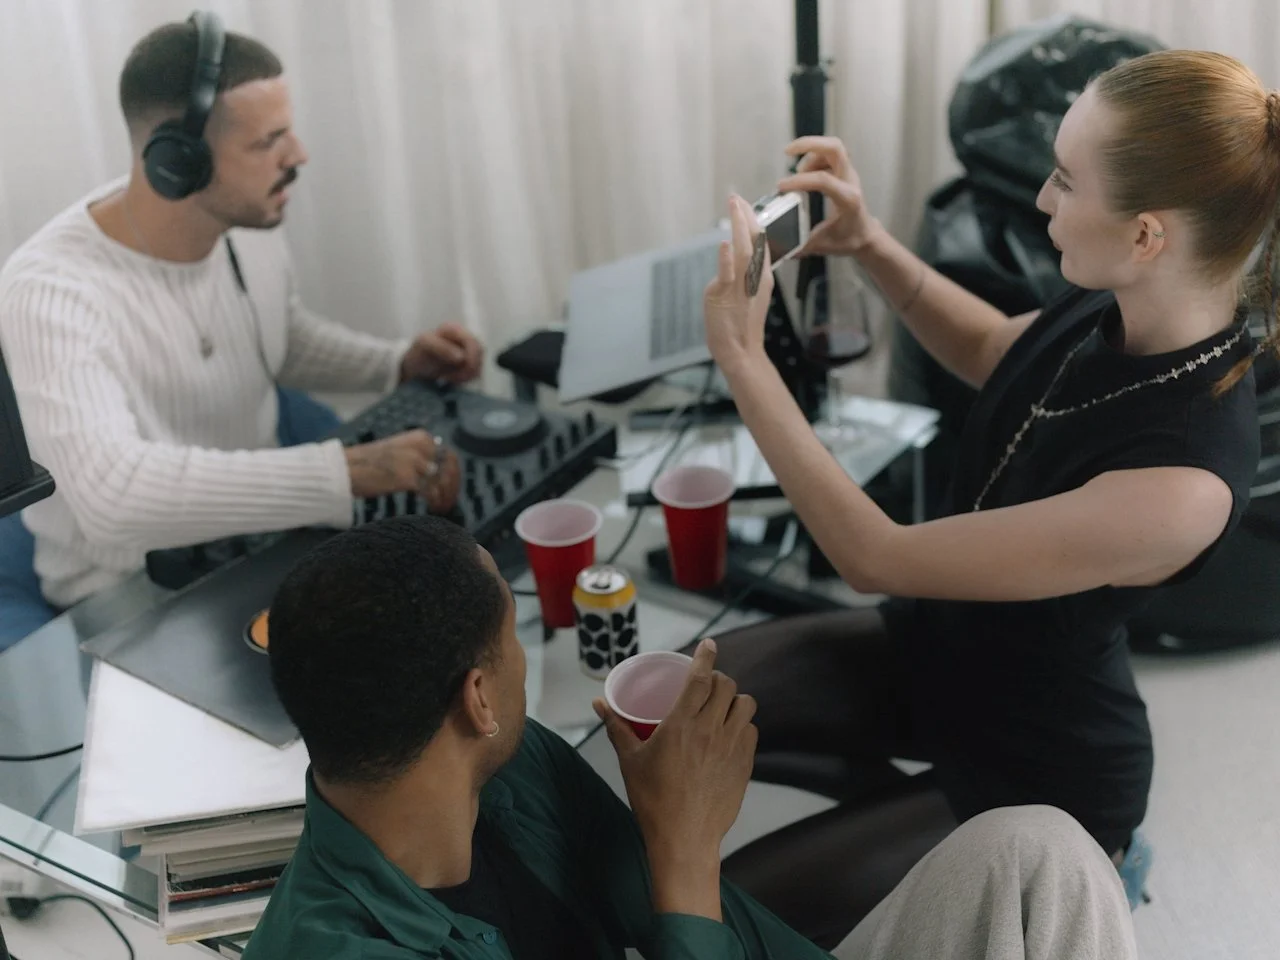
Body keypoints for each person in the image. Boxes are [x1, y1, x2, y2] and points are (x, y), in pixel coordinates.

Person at [699, 47, 1277, 919]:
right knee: (678, 703)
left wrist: (745, 360)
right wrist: (870, 244)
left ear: (1146, 233)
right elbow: (991, 352)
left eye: (1063, 181)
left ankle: (1091, 873)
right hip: (941, 651)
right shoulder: (1126, 299)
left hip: (1038, 768)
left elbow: (872, 553)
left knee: (735, 912)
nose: (1042, 199)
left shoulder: (1186, 481)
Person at [245, 514, 1137, 959]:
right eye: (512, 640)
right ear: (478, 700)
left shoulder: (509, 777)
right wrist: (684, 854)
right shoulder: (333, 947)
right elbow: (680, 895)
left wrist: (680, 835)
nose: (524, 664)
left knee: (1039, 851)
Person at [0, 13, 483, 609]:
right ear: (178, 163)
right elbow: (114, 500)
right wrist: (344, 472)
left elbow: (282, 336)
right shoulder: (49, 292)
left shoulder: (244, 222)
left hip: (254, 541)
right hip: (124, 591)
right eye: (267, 142)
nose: (298, 155)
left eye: (289, 131)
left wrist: (396, 363)